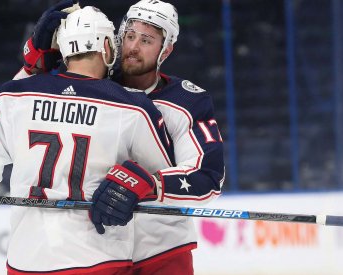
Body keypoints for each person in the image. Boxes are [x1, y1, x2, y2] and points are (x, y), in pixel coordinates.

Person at [0, 5, 174, 275]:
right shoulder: (133, 108)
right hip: (99, 260)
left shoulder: (12, 98)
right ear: (107, 47)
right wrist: (141, 183)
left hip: (27, 262)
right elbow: (166, 181)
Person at [17, 1, 225, 274]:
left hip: (161, 251)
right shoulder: (89, 81)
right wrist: (34, 62)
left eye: (147, 40)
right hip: (99, 252)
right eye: (129, 36)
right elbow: (14, 108)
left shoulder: (187, 101)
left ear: (167, 49)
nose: (133, 47)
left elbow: (207, 178)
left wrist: (150, 184)